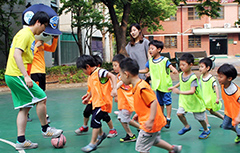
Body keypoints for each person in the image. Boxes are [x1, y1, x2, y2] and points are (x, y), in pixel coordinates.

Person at [4, 11, 63, 150]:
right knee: (42, 98)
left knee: (25, 108)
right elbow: (17, 55)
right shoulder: (25, 34)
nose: (44, 30)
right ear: (38, 22)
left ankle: (21, 140)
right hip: (17, 75)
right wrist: (25, 76)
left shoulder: (29, 36)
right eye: (44, 26)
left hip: (12, 75)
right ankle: (46, 129)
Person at [119, 58, 182, 153]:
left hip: (150, 123)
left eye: (120, 74)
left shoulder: (141, 87)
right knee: (155, 140)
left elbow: (153, 102)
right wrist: (138, 114)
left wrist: (150, 120)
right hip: (152, 121)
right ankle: (173, 149)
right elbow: (145, 103)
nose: (120, 78)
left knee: (141, 148)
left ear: (126, 74)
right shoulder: (137, 85)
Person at [76, 55, 117, 152]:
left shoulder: (100, 72)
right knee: (95, 118)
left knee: (95, 120)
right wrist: (88, 97)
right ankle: (101, 134)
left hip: (103, 103)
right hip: (96, 102)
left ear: (88, 66)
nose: (83, 72)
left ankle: (92, 143)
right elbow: (93, 89)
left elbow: (113, 76)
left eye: (83, 70)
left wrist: (114, 89)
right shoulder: (92, 75)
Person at [168, 53, 211, 139]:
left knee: (200, 119)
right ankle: (187, 126)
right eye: (180, 65)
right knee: (179, 114)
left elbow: (192, 91)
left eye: (183, 65)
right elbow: (182, 82)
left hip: (194, 101)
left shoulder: (193, 78)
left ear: (191, 65)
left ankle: (206, 130)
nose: (181, 67)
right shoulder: (181, 74)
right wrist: (174, 86)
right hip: (185, 100)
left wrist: (179, 91)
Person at [139, 40, 178, 128]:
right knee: (160, 103)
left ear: (159, 50)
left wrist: (173, 70)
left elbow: (170, 66)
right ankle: (162, 117)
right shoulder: (150, 61)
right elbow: (146, 70)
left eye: (152, 48)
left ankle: (168, 118)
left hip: (166, 85)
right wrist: (136, 71)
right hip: (157, 86)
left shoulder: (164, 60)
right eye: (149, 49)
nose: (150, 50)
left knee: (167, 102)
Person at [28, 35, 59, 123]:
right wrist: (36, 46)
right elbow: (29, 55)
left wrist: (55, 39)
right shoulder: (31, 44)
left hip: (42, 71)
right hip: (34, 71)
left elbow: (52, 49)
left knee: (40, 94)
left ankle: (26, 112)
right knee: (38, 95)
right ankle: (44, 115)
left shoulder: (42, 44)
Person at [112, 54, 140, 142]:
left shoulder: (124, 76)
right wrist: (116, 95)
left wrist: (114, 90)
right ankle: (140, 128)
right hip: (123, 102)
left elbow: (120, 83)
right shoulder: (119, 75)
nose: (114, 67)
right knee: (122, 119)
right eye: (113, 65)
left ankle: (131, 135)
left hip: (127, 103)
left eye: (115, 65)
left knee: (124, 120)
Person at [198, 57, 224, 131]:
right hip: (204, 97)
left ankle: (207, 124)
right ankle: (224, 119)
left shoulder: (211, 78)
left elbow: (216, 87)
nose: (200, 68)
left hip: (210, 98)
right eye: (199, 67)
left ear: (208, 68)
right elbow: (198, 85)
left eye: (202, 67)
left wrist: (217, 97)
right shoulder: (201, 77)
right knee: (212, 112)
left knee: (203, 110)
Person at [217, 63, 240, 144]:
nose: (218, 78)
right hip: (229, 112)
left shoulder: (236, 92)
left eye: (221, 77)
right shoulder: (223, 85)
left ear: (229, 78)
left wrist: (238, 117)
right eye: (218, 76)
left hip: (238, 115)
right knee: (225, 126)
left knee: (237, 127)